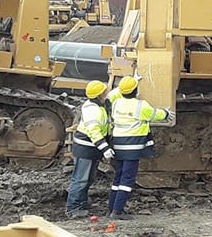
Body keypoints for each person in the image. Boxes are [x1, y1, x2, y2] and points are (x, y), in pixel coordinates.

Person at [107, 75, 170, 218]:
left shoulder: (116, 103)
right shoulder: (141, 106)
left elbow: (112, 95)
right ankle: (118, 211)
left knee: (118, 177)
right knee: (127, 179)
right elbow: (156, 115)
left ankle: (111, 208)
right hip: (132, 147)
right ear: (136, 90)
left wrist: (128, 83)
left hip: (117, 145)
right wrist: (167, 113)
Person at [66, 80, 113, 218]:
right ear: (99, 95)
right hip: (86, 148)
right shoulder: (93, 110)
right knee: (81, 179)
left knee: (89, 178)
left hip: (91, 148)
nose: (107, 93)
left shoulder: (99, 105)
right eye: (104, 91)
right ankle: (73, 208)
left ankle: (81, 203)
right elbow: (94, 132)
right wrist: (105, 148)